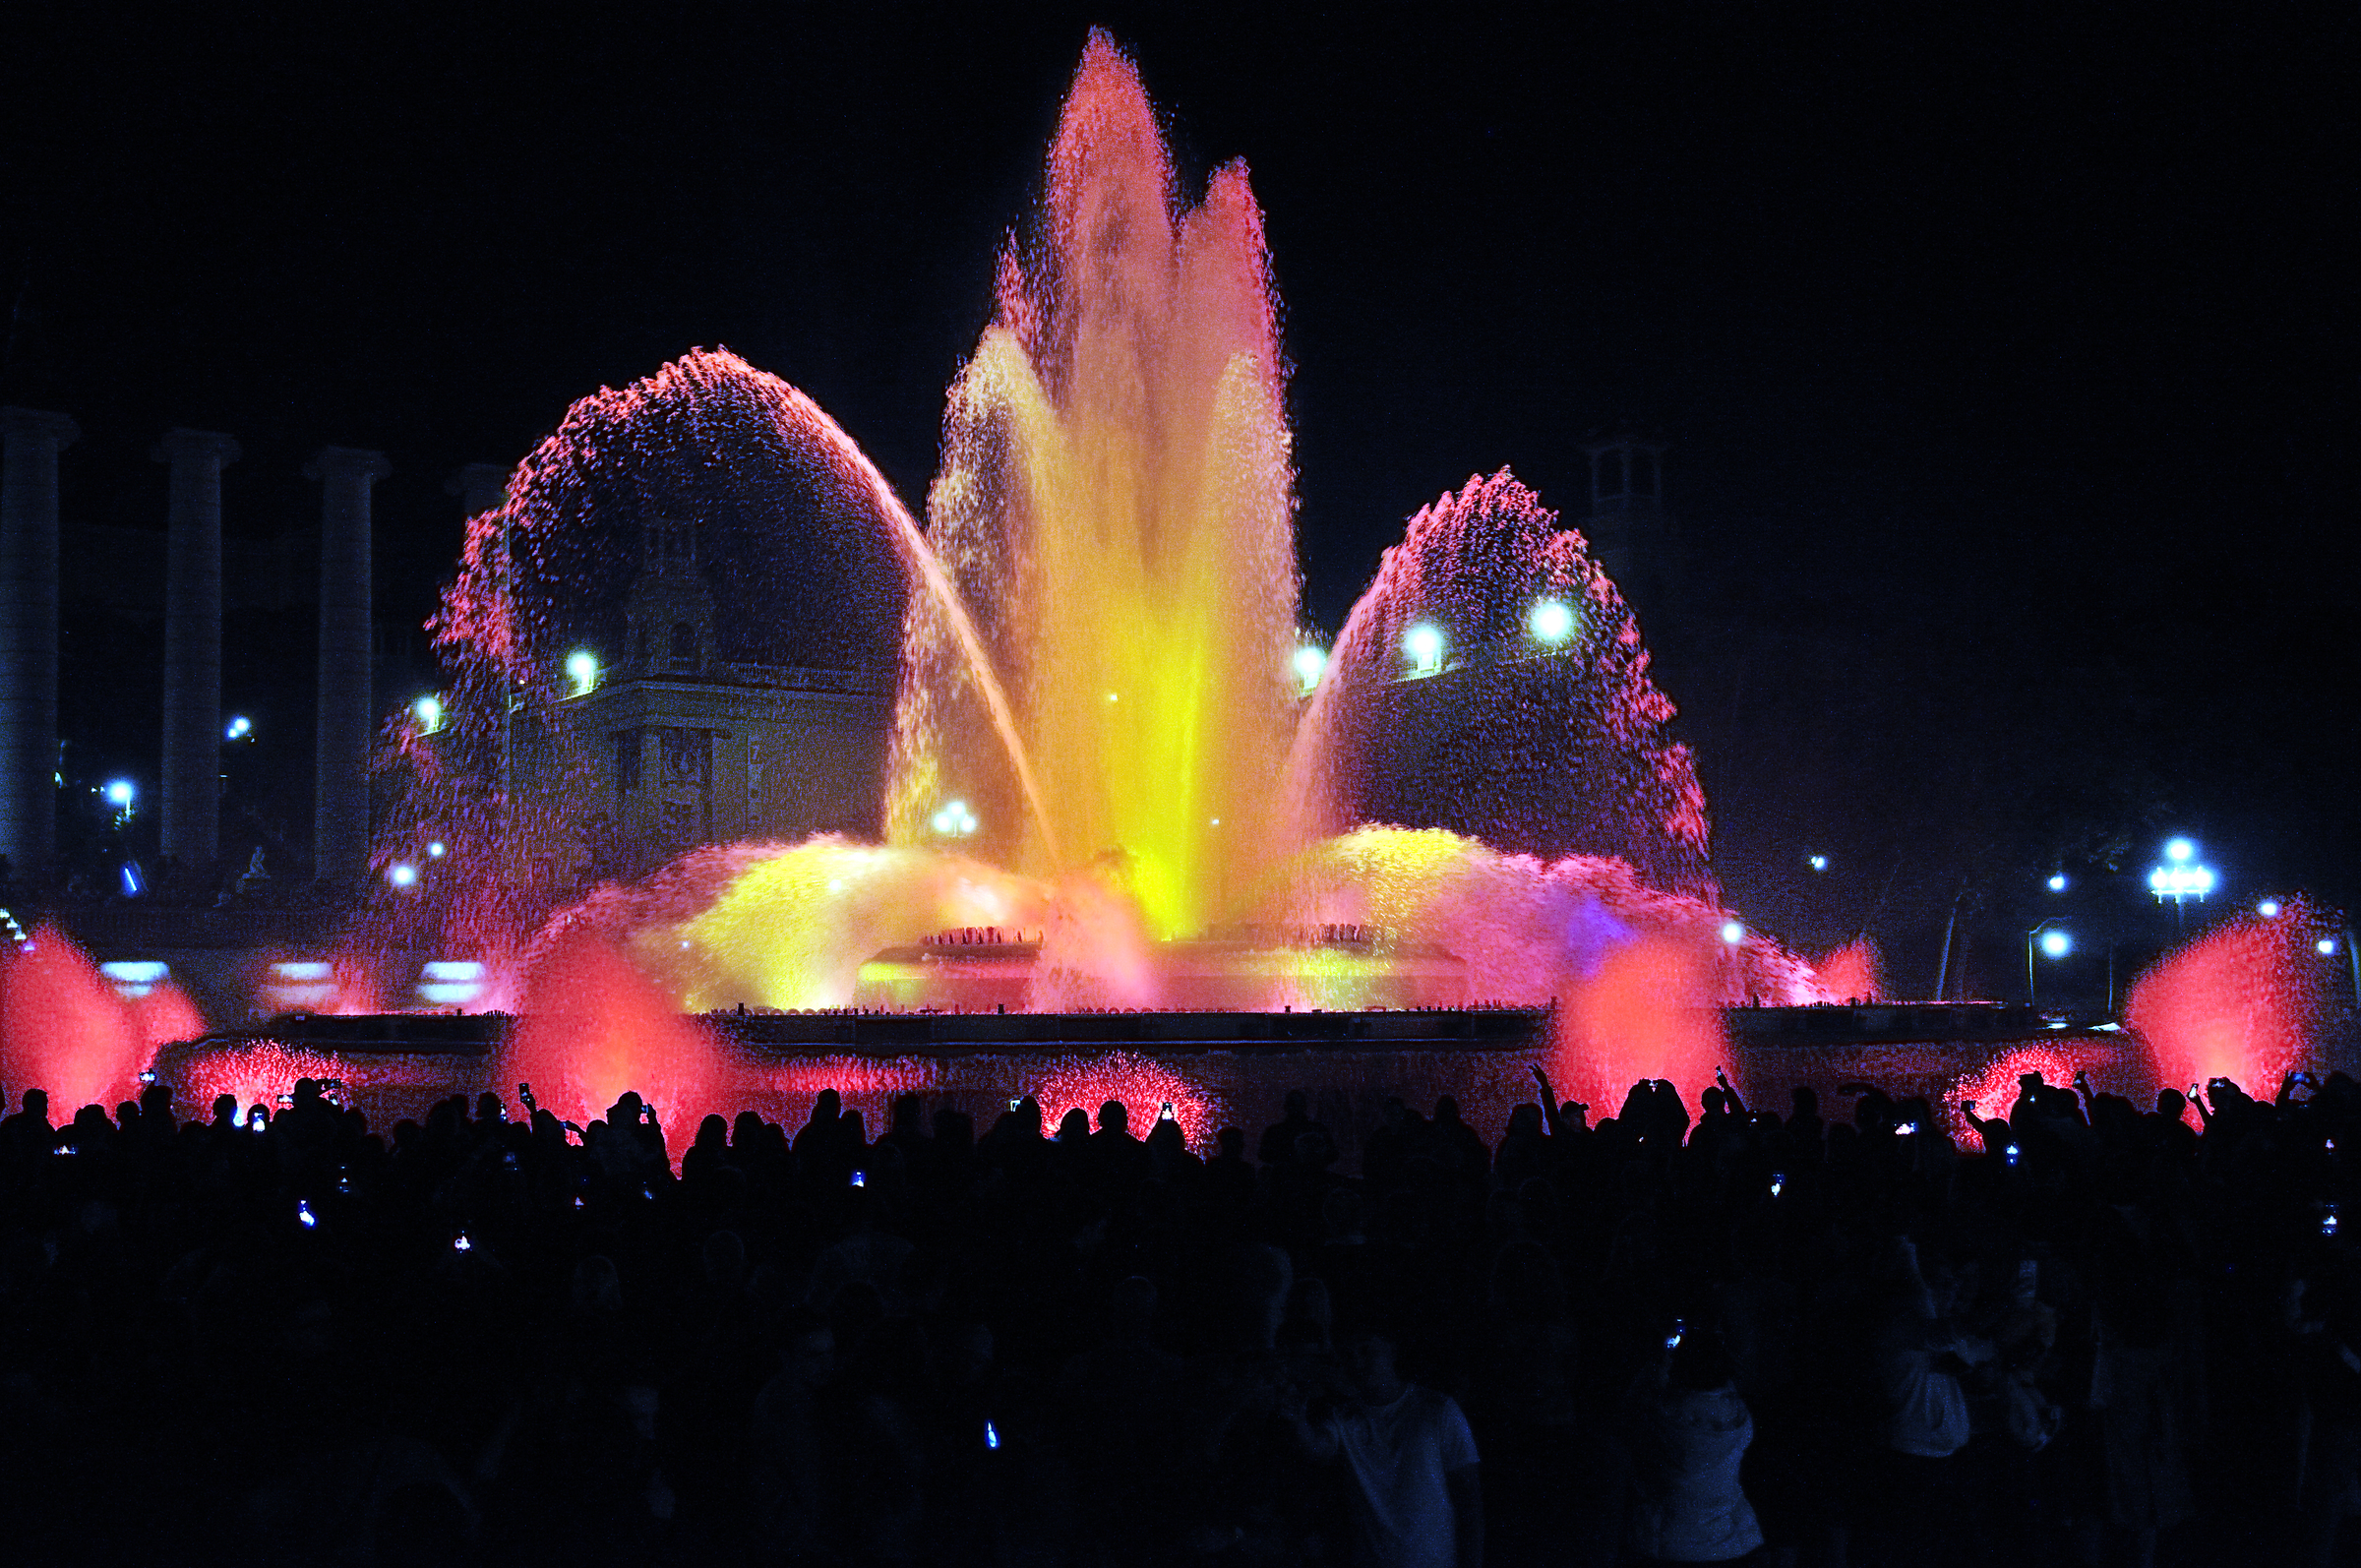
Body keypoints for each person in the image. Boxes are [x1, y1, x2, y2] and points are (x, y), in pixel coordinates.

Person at [1289, 1325, 1483, 1568]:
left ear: (1391, 1349)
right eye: (1348, 1355)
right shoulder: (1343, 1418)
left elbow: (1470, 1500)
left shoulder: (1438, 1410)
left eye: (1366, 1350)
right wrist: (1297, 1418)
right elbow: (1317, 1448)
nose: (1357, 1362)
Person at [1626, 1330, 1764, 1563]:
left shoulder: (1660, 1417)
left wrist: (1656, 1367)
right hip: (1729, 1542)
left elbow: (1625, 1420)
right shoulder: (1740, 1416)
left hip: (1665, 1543)